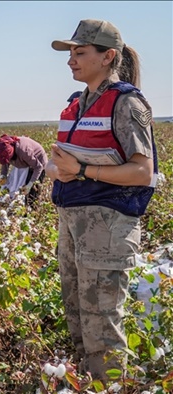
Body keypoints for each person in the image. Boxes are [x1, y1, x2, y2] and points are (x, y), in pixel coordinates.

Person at [46, 20, 158, 381]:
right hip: (74, 223)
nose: (71, 61)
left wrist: (81, 170)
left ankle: (109, 386)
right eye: (71, 54)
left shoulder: (127, 103)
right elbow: (64, 161)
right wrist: (58, 170)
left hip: (107, 228)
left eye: (80, 53)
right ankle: (89, 384)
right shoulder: (76, 105)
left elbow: (143, 172)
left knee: (102, 325)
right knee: (78, 314)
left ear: (108, 56)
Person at [0, 134, 48, 210]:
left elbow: (38, 167)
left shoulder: (24, 151)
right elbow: (5, 164)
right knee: (19, 191)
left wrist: (30, 184)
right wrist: (3, 177)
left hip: (38, 165)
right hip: (25, 165)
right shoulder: (4, 150)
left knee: (31, 195)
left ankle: (31, 214)